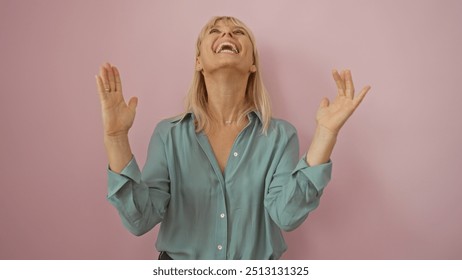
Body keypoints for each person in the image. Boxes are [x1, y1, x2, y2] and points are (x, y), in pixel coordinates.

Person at [95, 16, 371, 260]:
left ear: (252, 63)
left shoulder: (280, 136)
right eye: (214, 31)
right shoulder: (168, 134)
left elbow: (286, 216)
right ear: (198, 61)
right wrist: (116, 137)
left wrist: (326, 134)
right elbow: (140, 219)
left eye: (238, 32)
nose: (226, 35)